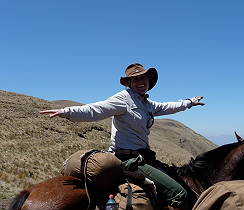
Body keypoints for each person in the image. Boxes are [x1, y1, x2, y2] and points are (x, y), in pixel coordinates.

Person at [40, 63, 205, 210]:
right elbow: (96, 109)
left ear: (149, 81)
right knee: (180, 194)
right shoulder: (124, 99)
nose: (141, 82)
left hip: (144, 157)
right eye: (136, 79)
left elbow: (168, 106)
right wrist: (67, 111)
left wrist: (189, 102)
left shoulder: (146, 103)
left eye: (144, 78)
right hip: (129, 160)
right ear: (130, 83)